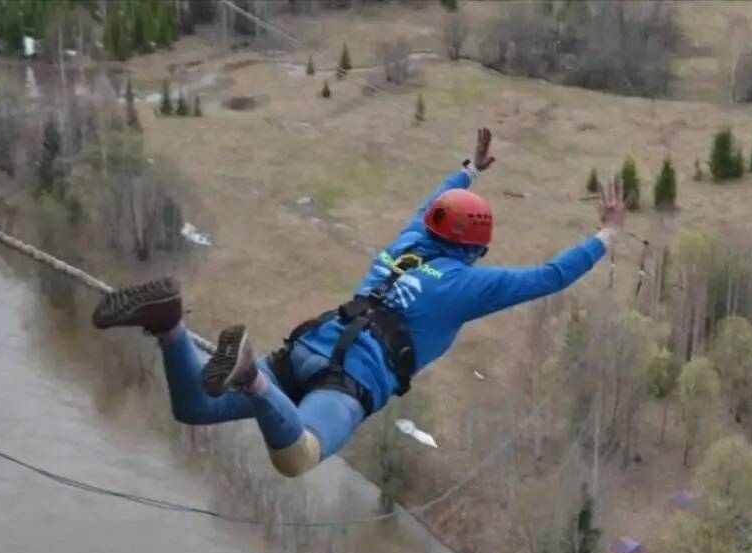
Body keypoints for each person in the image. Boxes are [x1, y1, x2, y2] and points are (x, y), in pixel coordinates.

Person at [91, 128, 626, 477]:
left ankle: (170, 327)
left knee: (193, 408)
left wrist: (470, 168)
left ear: (436, 225)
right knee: (297, 456)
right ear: (475, 248)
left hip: (308, 347)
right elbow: (550, 276)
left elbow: (431, 203)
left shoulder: (409, 243)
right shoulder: (465, 285)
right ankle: (251, 376)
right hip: (351, 380)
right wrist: (607, 235)